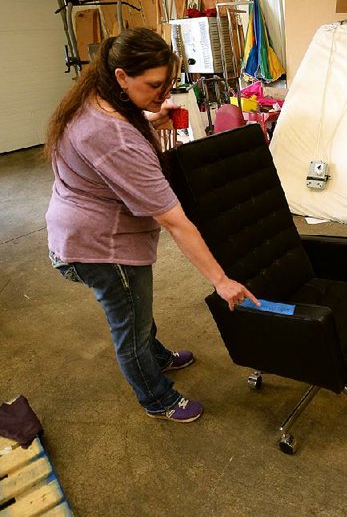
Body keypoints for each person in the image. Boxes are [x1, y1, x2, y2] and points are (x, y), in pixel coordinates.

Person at [44, 28, 258, 423]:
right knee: (131, 328)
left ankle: (156, 357)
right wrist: (221, 280)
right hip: (99, 248)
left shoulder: (97, 98)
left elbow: (113, 134)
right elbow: (175, 221)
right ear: (122, 76)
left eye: (169, 85)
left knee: (137, 309)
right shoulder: (115, 140)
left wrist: (149, 118)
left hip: (78, 227)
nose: (164, 95)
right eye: (154, 86)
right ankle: (156, 399)